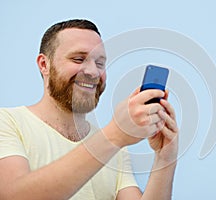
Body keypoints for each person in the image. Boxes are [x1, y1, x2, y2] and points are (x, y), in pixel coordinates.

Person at [0, 19, 178, 200]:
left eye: (100, 63)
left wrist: (165, 159)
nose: (93, 72)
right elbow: (13, 195)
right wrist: (115, 135)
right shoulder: (7, 122)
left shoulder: (116, 151)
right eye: (78, 59)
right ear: (44, 65)